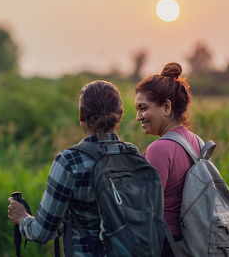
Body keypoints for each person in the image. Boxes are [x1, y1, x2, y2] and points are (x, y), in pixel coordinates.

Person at [8, 80, 137, 256]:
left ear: (81, 114)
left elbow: (42, 232)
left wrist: (22, 218)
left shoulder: (70, 161)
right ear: (120, 114)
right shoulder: (133, 154)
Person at [134, 62, 199, 257]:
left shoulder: (159, 149)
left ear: (167, 107)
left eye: (143, 108)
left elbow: (144, 209)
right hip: (188, 241)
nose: (138, 117)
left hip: (163, 244)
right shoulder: (195, 140)